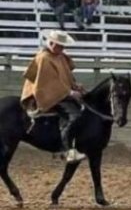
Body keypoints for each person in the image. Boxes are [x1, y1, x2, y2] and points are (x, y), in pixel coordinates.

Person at [20, 30, 87, 163]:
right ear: (51, 43)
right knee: (74, 114)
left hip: (58, 92)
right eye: (60, 46)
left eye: (63, 46)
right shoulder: (44, 58)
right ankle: (67, 150)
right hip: (46, 94)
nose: (62, 49)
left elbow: (64, 76)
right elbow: (48, 84)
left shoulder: (59, 56)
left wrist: (74, 85)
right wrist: (70, 92)